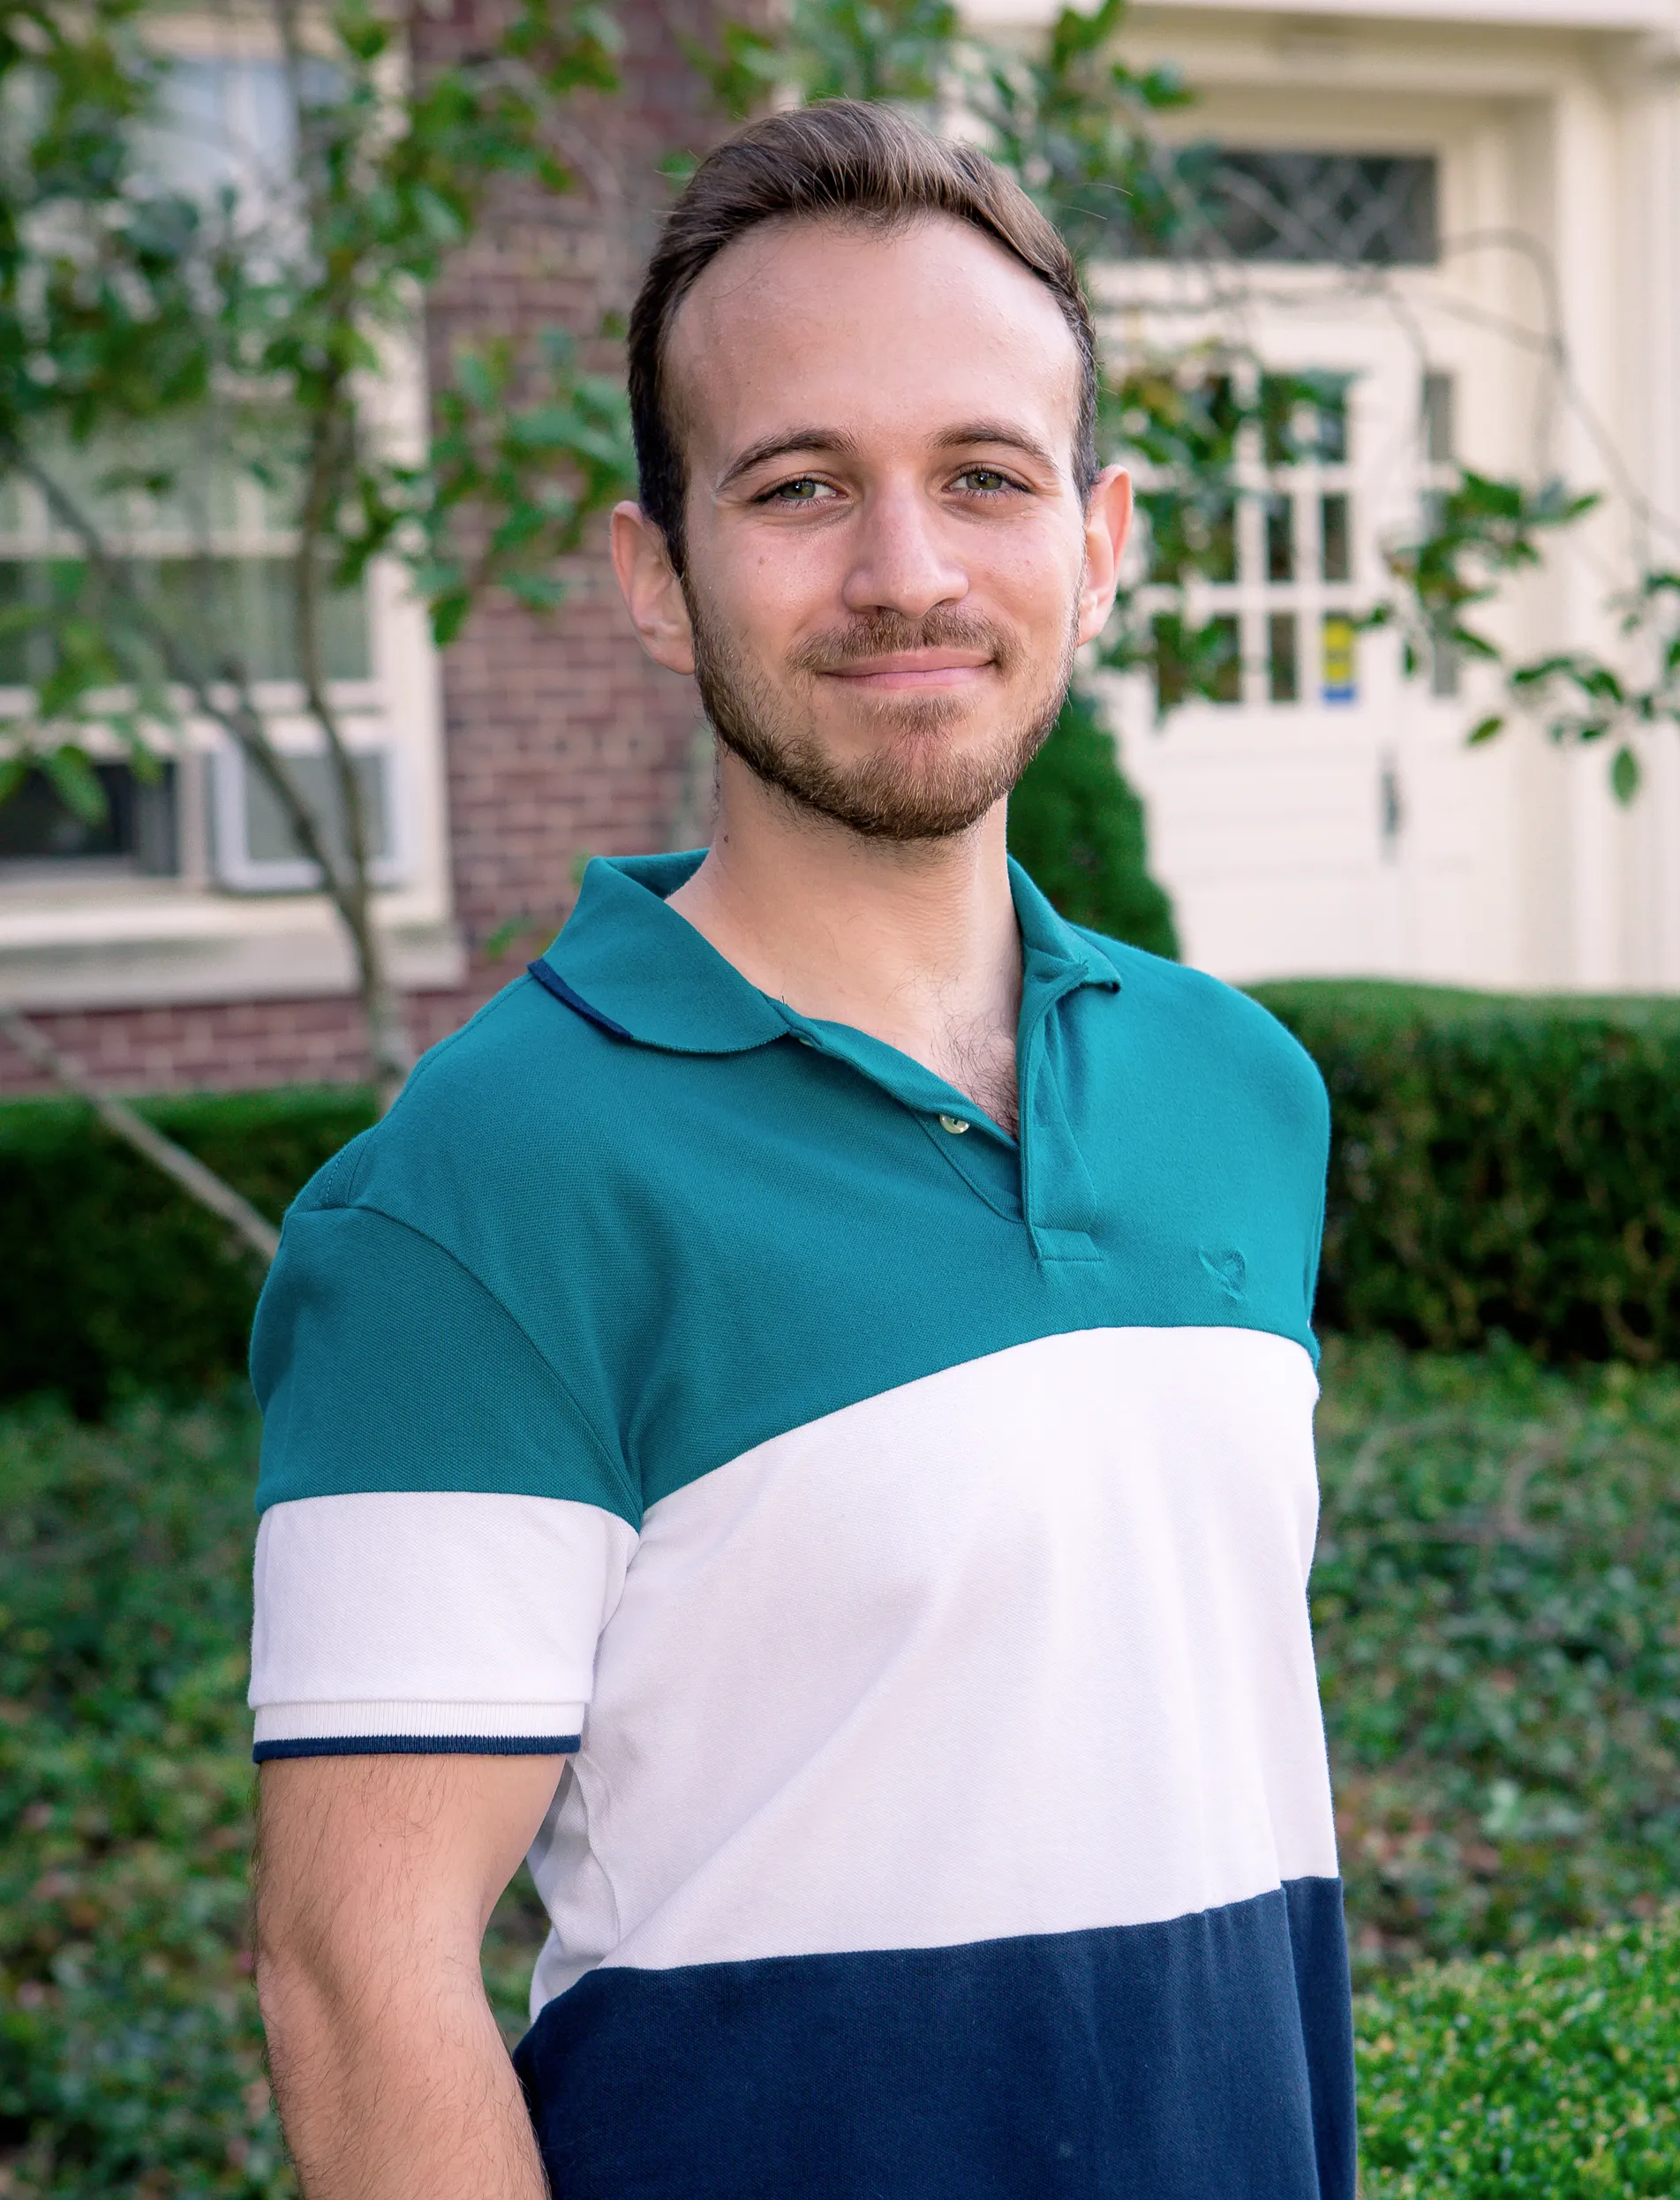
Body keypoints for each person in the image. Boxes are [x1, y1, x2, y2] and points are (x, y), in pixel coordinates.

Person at [251, 98, 1353, 2200]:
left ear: (1099, 541)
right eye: (799, 486)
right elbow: (354, 1963)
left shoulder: (1243, 1088)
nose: (907, 571)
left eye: (983, 477)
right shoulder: (475, 1195)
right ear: (657, 578)